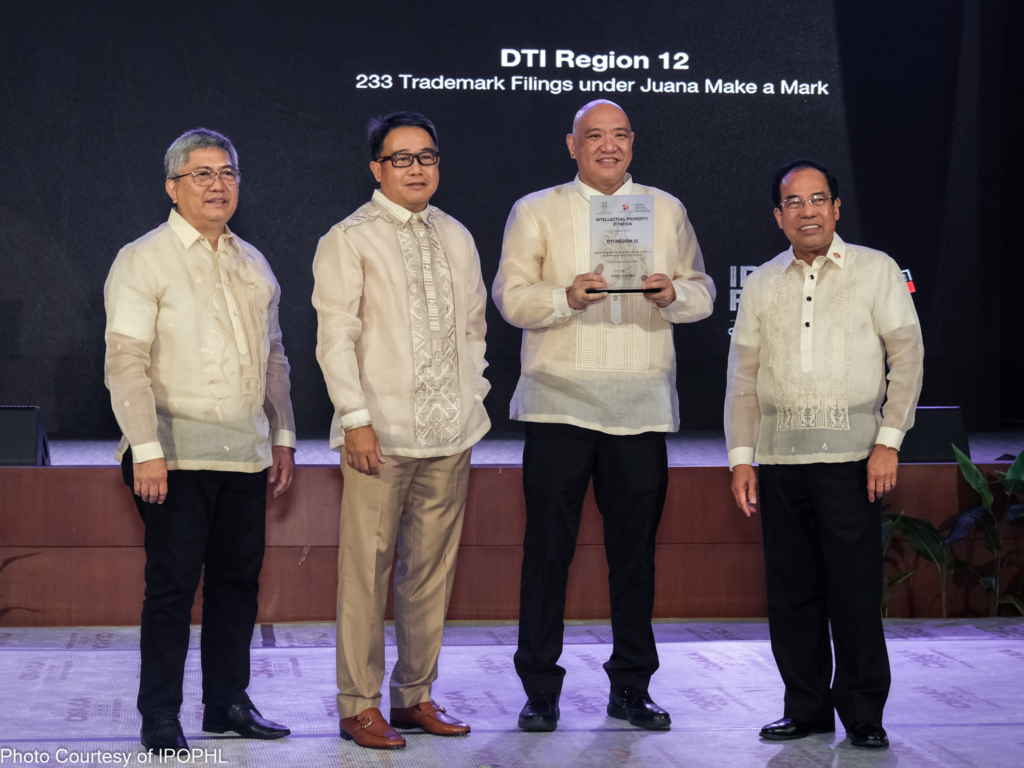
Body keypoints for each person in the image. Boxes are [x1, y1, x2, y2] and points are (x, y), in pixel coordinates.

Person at [492, 99, 715, 732]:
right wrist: (564, 296)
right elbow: (509, 296)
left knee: (634, 556)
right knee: (547, 553)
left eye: (619, 135)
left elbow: (702, 291)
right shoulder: (535, 209)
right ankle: (540, 688)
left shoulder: (666, 209)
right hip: (558, 402)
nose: (608, 146)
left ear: (633, 143)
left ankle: (632, 687)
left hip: (640, 406)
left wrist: (673, 293)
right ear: (573, 145)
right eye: (594, 136)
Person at [103, 128, 296, 751]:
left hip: (245, 452)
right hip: (172, 453)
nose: (218, 185)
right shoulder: (143, 258)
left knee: (238, 584)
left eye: (227, 172)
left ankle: (227, 703)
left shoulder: (253, 261)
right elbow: (125, 361)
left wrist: (283, 435)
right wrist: (146, 448)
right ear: (172, 187)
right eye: (202, 174)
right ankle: (160, 713)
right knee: (173, 587)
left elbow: (274, 356)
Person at [725, 159, 924, 749]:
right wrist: (741, 457)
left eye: (817, 200)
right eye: (794, 202)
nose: (806, 211)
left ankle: (862, 712)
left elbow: (907, 358)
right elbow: (743, 379)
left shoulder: (876, 269)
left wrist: (888, 441)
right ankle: (805, 708)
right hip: (779, 461)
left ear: (836, 208)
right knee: (792, 593)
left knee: (854, 591)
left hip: (854, 459)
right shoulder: (762, 283)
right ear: (778, 216)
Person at [312, 111, 491, 750]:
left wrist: (472, 398)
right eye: (401, 159)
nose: (417, 169)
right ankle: (358, 705)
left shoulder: (458, 235)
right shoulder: (348, 238)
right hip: (379, 437)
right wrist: (354, 420)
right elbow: (335, 339)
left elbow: (474, 330)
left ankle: (415, 696)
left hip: (451, 435)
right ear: (377, 168)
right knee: (366, 574)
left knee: (430, 575)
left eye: (427, 157)